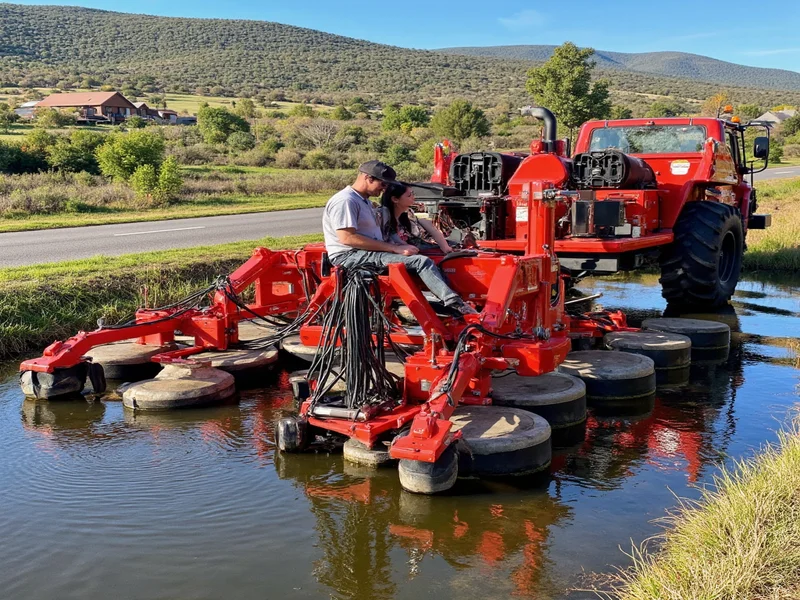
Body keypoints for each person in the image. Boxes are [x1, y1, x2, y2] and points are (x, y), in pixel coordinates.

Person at [322, 160, 477, 315]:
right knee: (421, 262)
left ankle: (443, 304)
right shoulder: (346, 201)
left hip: (363, 253)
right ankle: (455, 305)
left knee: (423, 258)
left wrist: (398, 247)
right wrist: (395, 248)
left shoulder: (363, 201)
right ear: (369, 179)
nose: (384, 190)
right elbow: (347, 238)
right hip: (350, 256)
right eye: (382, 185)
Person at [375, 183, 453, 254]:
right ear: (395, 199)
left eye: (413, 194)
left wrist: (445, 247)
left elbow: (430, 227)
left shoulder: (408, 213)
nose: (413, 197)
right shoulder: (382, 215)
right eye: (409, 195)